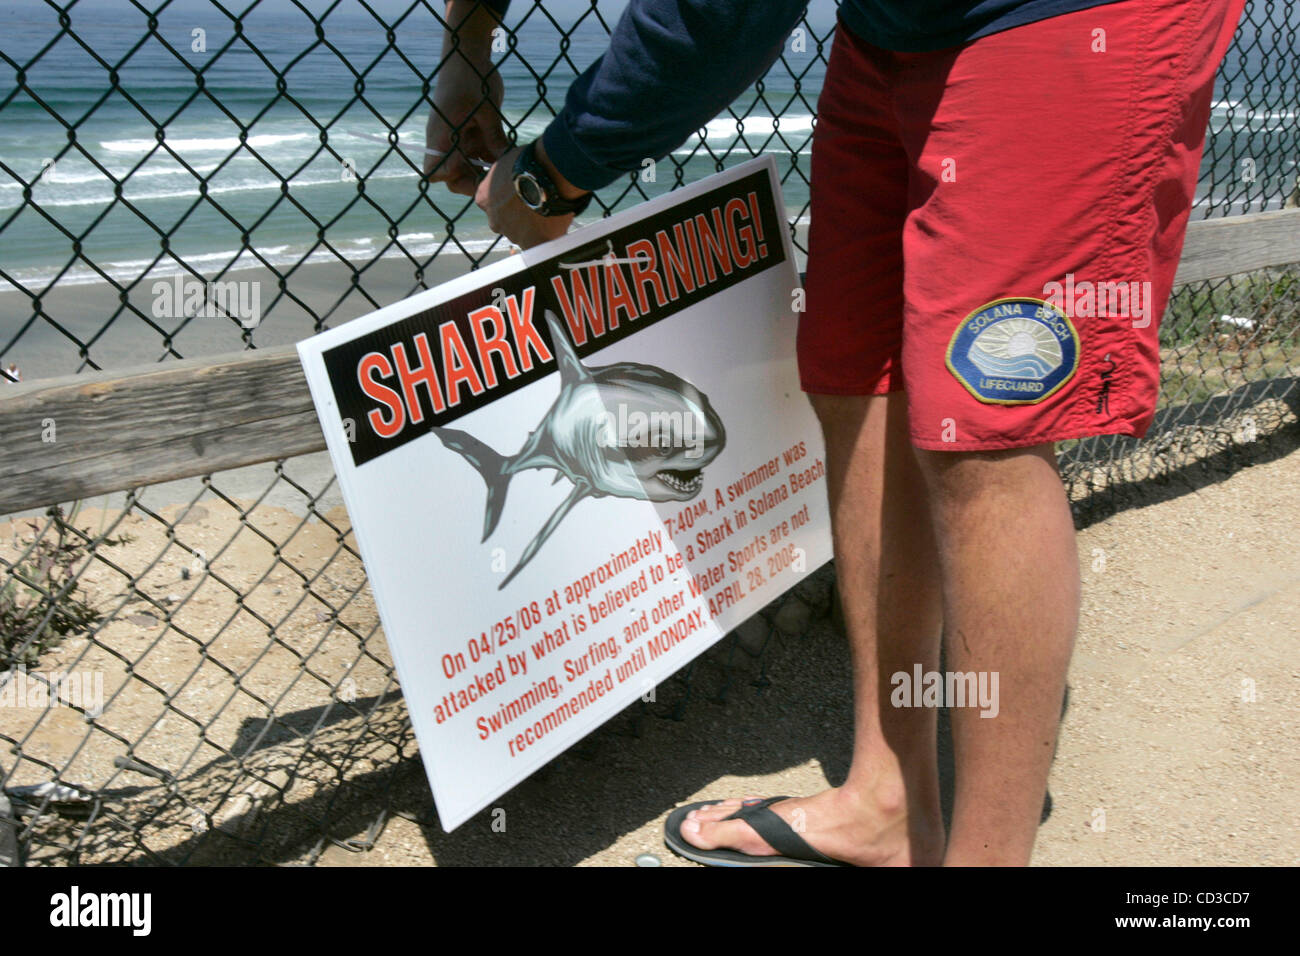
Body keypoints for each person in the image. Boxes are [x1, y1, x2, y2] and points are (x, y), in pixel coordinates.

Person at [425, 0, 1246, 865]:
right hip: (894, 26)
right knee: (857, 375)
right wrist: (467, 46)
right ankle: (887, 799)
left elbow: (717, 15)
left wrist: (555, 172)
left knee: (984, 428)